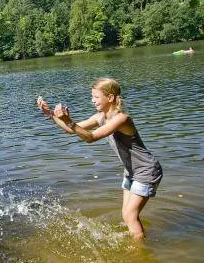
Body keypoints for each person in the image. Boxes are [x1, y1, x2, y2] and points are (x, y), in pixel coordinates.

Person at [36, 78, 162, 239]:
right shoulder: (100, 117)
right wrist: (51, 115)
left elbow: (91, 137)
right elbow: (71, 130)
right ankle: (137, 243)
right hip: (131, 171)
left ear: (110, 98)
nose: (92, 100)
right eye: (92, 97)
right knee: (127, 215)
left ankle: (139, 254)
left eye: (96, 97)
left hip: (146, 171)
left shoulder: (122, 119)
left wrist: (69, 121)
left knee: (130, 216)